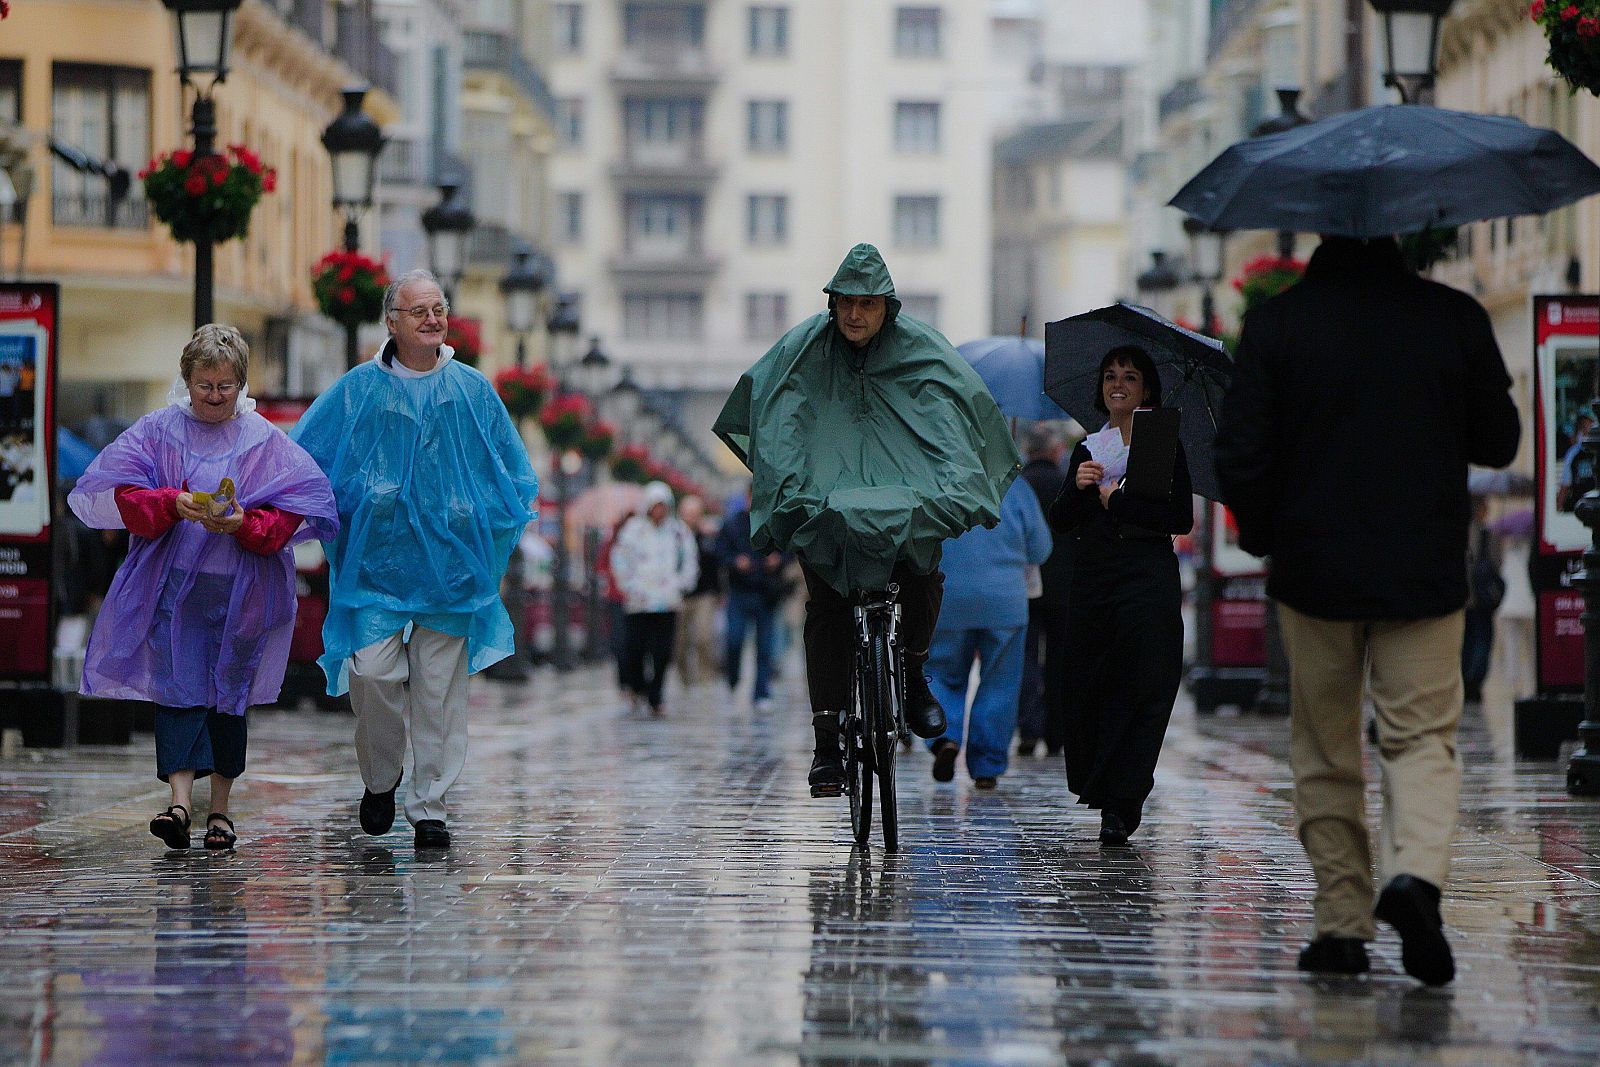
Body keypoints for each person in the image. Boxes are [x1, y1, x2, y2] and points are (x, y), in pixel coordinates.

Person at [1215, 234, 1520, 986]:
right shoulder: (1452, 316)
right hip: (1422, 568)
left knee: (1325, 746)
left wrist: (1264, 532)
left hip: (1314, 569)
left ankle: (1343, 924)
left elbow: (1241, 455)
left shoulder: (1279, 325)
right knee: (1420, 738)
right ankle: (1414, 876)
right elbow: (1500, 437)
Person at [714, 243, 1018, 796]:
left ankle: (914, 676)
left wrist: (954, 486)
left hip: (905, 503)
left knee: (924, 576)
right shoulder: (802, 352)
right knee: (827, 610)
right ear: (832, 304)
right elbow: (779, 418)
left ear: (888, 307)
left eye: (868, 304)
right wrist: (791, 493)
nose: (855, 315)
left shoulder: (921, 350)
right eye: (845, 303)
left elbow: (951, 413)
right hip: (826, 510)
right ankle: (828, 743)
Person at [292, 269, 539, 851]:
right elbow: (305, 456)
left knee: (438, 690)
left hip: (451, 570)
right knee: (373, 674)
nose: (433, 318)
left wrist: (472, 513)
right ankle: (381, 777)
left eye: (439, 307)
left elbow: (511, 470)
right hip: (375, 567)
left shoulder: (473, 391)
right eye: (419, 310)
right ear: (392, 322)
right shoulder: (357, 390)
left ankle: (430, 805)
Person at [68, 324, 338, 851]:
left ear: (241, 384)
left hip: (241, 596)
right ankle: (177, 804)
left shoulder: (265, 441)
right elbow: (128, 501)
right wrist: (171, 502)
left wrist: (244, 525)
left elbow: (289, 515)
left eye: (225, 386)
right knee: (175, 693)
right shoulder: (156, 431)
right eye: (204, 385)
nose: (214, 397)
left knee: (228, 699)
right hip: (174, 594)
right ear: (186, 381)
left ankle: (220, 811)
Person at [1049, 345, 1192, 846]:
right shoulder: (1089, 448)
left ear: (1146, 389)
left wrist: (1120, 500)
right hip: (1095, 580)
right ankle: (1105, 789)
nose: (1118, 384)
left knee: (1145, 684)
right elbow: (1062, 521)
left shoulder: (1162, 444)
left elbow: (1179, 519)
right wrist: (1079, 489)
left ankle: (1125, 797)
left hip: (1147, 578)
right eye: (1110, 376)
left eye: (1129, 377)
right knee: (1093, 683)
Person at [926, 476, 1051, 789]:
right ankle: (986, 764)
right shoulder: (1016, 486)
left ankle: (944, 738)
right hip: (1005, 601)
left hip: (947, 596)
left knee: (942, 672)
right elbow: (1040, 548)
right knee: (1000, 681)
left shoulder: (939, 480)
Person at [610, 480, 699, 715]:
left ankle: (656, 696)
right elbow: (620, 559)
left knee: (662, 652)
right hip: (639, 602)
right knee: (635, 649)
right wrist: (629, 586)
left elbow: (690, 561)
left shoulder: (679, 532)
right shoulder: (633, 531)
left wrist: (680, 585)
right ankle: (638, 687)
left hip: (667, 601)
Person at [1016, 422, 1072, 757]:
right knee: (1059, 659)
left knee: (1023, 658)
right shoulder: (1067, 484)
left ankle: (1028, 727)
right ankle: (1056, 733)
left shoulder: (1018, 487)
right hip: (1063, 587)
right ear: (1055, 451)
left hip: (1023, 585)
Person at [717, 488, 791, 709]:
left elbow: (790, 549)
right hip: (739, 592)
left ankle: (761, 692)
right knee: (734, 639)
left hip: (766, 592)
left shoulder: (775, 523)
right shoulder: (732, 524)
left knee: (765, 646)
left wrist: (778, 559)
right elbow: (721, 552)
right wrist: (735, 562)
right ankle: (733, 678)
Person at [672, 494, 724, 688]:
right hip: (680, 596)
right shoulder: (673, 538)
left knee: (704, 637)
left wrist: (719, 592)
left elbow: (716, 564)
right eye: (687, 514)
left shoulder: (708, 537)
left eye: (694, 514)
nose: (690, 518)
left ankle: (705, 676)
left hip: (704, 594)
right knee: (680, 642)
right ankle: (684, 678)